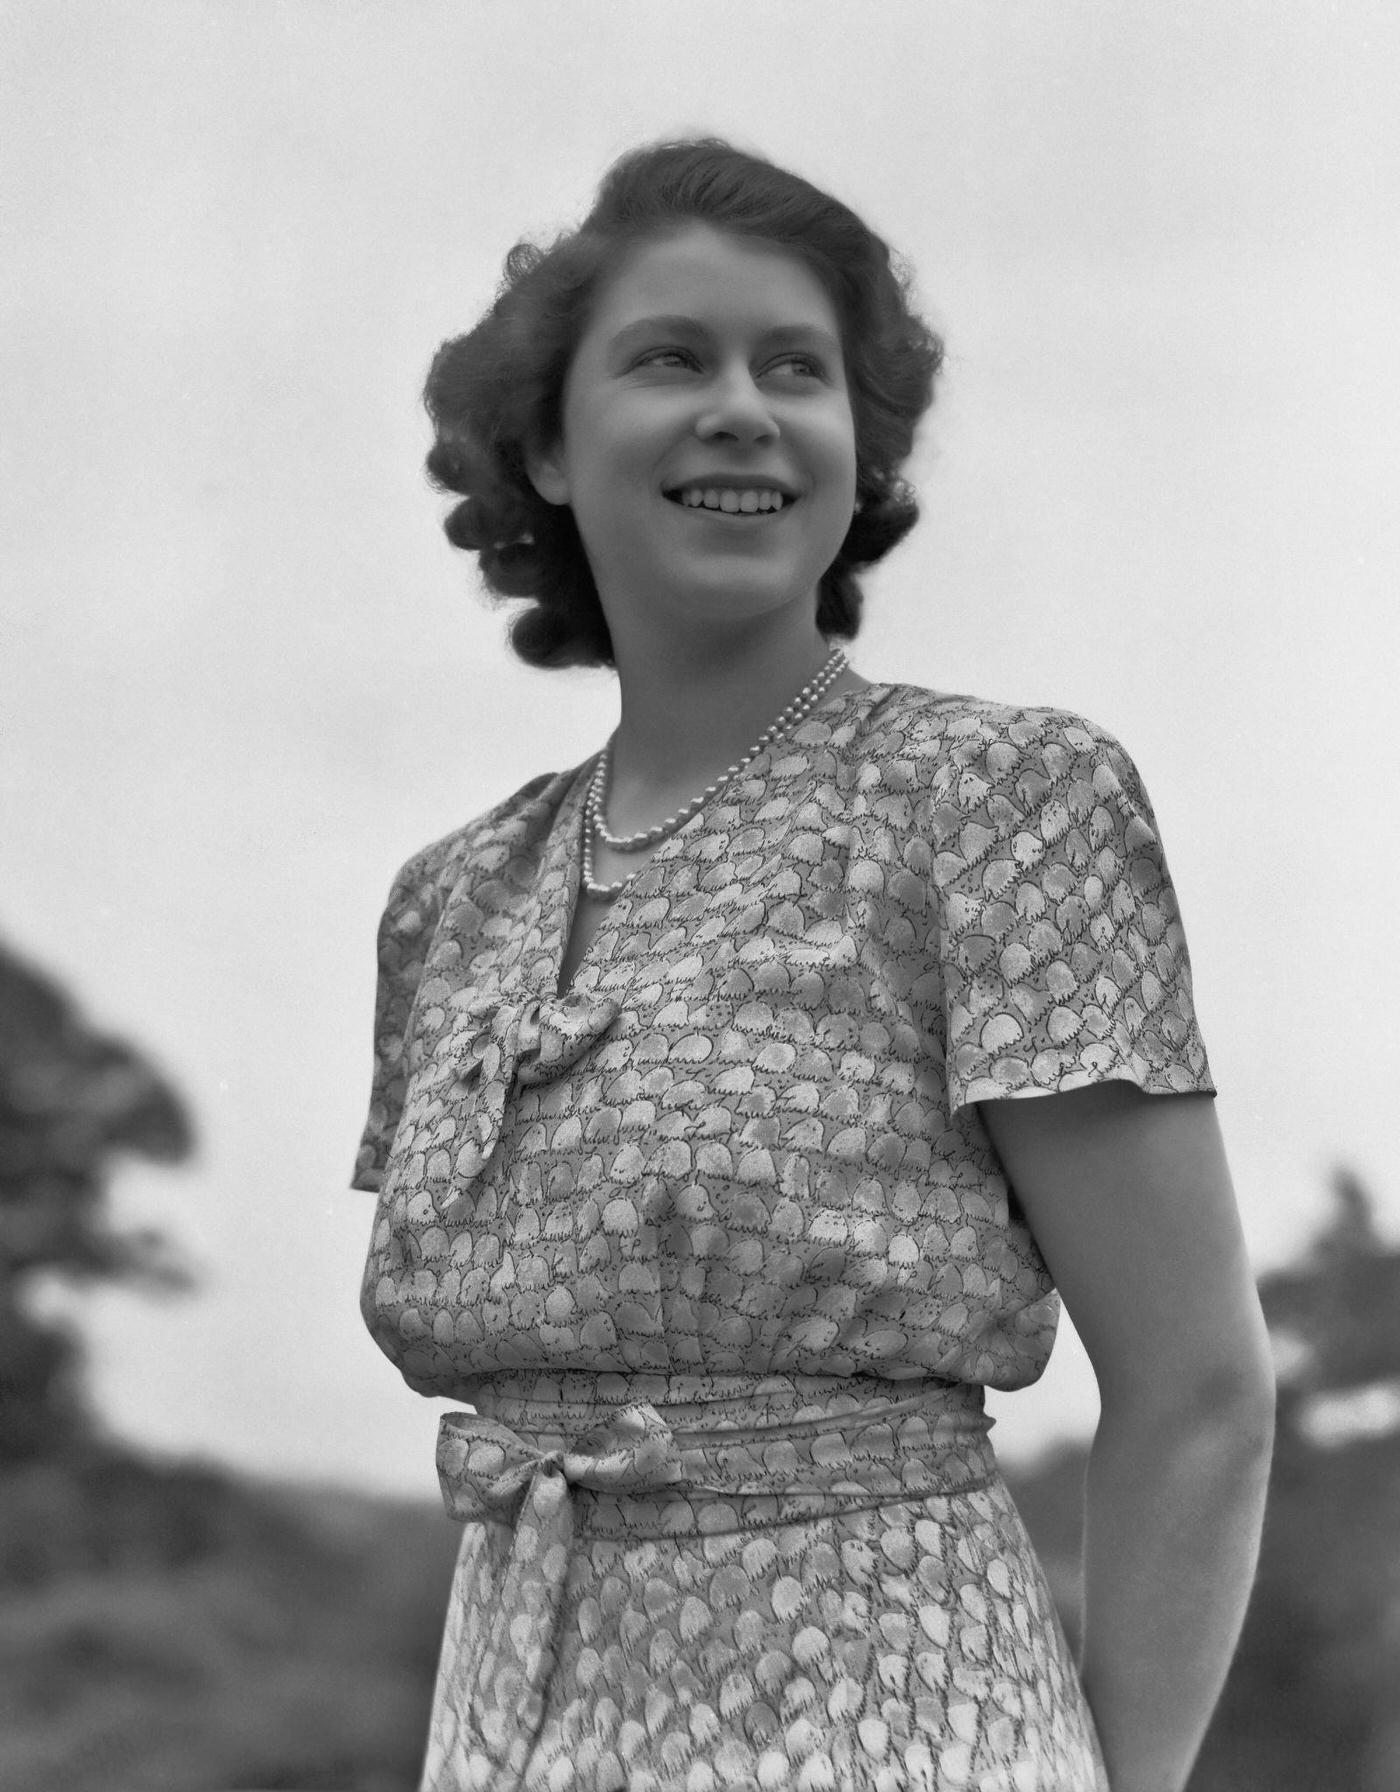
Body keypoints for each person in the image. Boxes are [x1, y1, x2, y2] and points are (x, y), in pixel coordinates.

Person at [351, 139, 1275, 1792]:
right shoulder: (450, 902)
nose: (744, 409)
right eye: (670, 359)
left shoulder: (997, 804)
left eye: (800, 369)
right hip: (510, 1719)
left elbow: (1199, 1390)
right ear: (549, 450)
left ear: (861, 457)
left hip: (897, 1722)